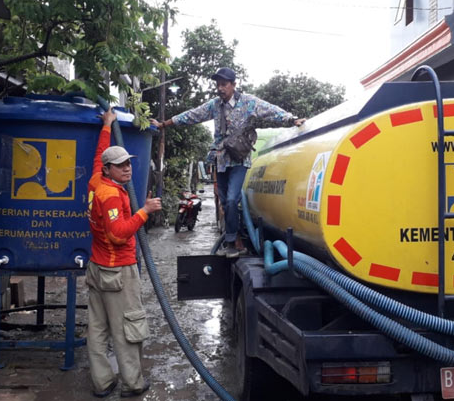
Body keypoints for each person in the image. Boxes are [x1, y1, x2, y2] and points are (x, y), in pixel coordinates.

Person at [151, 67, 305, 258]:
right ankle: (236, 240)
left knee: (232, 199)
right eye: (218, 85)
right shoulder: (215, 105)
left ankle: (232, 242)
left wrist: (291, 119)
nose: (220, 88)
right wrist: (165, 124)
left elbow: (270, 110)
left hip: (239, 160)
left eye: (224, 84)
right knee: (225, 203)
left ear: (233, 85)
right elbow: (192, 115)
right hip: (221, 160)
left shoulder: (249, 103)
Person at [86, 108, 162, 398]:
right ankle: (132, 383)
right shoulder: (111, 195)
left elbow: (98, 156)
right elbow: (118, 234)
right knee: (127, 329)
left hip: (96, 267)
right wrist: (144, 211)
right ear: (109, 170)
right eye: (120, 166)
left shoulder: (96, 182)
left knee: (97, 329)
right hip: (117, 272)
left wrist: (107, 126)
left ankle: (102, 382)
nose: (127, 169)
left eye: (128, 163)